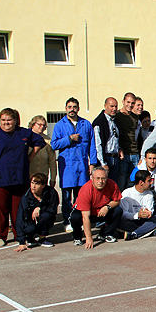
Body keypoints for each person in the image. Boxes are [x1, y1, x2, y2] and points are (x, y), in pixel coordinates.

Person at [0, 108, 46, 247]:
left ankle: (19, 235)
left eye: (9, 120)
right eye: (3, 120)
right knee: (0, 209)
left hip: (19, 177)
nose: (6, 123)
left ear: (15, 120)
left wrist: (29, 158)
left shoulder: (24, 133)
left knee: (18, 210)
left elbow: (39, 141)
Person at [51, 97, 97, 232]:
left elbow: (92, 145)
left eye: (74, 107)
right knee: (66, 197)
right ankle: (68, 220)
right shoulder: (60, 125)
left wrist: (92, 163)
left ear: (78, 108)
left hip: (82, 165)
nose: (72, 109)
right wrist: (69, 139)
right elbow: (54, 144)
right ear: (66, 109)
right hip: (67, 167)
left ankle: (80, 219)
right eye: (69, 107)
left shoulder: (86, 124)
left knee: (81, 196)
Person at [70, 166, 122, 248]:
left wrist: (107, 207)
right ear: (92, 178)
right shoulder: (86, 190)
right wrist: (89, 238)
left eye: (103, 178)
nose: (100, 181)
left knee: (118, 210)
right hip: (87, 212)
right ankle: (77, 237)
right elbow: (85, 217)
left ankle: (105, 233)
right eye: (97, 178)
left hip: (102, 211)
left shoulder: (112, 184)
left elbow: (117, 201)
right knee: (75, 217)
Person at [14, 173, 59, 250]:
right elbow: (20, 218)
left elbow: (53, 209)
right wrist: (21, 242)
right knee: (29, 228)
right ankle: (30, 237)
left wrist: (40, 208)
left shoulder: (51, 192)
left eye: (37, 184)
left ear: (43, 185)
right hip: (30, 220)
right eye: (32, 183)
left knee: (47, 216)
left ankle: (42, 238)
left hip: (44, 217)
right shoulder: (26, 197)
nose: (33, 186)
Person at [119, 170, 156, 240]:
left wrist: (148, 213)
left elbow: (150, 211)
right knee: (119, 222)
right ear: (141, 183)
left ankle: (134, 234)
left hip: (145, 221)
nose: (151, 183)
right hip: (132, 221)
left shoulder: (149, 194)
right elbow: (123, 214)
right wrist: (138, 215)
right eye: (149, 181)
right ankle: (149, 231)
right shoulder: (127, 193)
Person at [92, 97, 122, 184]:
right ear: (105, 106)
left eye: (116, 106)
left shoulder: (115, 120)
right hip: (106, 159)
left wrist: (119, 149)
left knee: (113, 185)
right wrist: (103, 163)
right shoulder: (99, 122)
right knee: (104, 185)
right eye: (111, 106)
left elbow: (115, 138)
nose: (114, 109)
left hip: (115, 158)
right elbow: (98, 144)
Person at [115, 92, 141, 191]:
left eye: (132, 103)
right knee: (121, 179)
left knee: (133, 180)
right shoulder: (117, 115)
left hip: (134, 152)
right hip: (123, 153)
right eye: (128, 102)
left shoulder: (135, 117)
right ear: (123, 102)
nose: (130, 105)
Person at [28, 115, 57, 188]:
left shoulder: (48, 141)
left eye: (44, 125)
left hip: (43, 177)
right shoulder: (26, 138)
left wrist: (53, 178)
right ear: (33, 124)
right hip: (28, 177)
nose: (42, 127)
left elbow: (52, 162)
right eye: (39, 125)